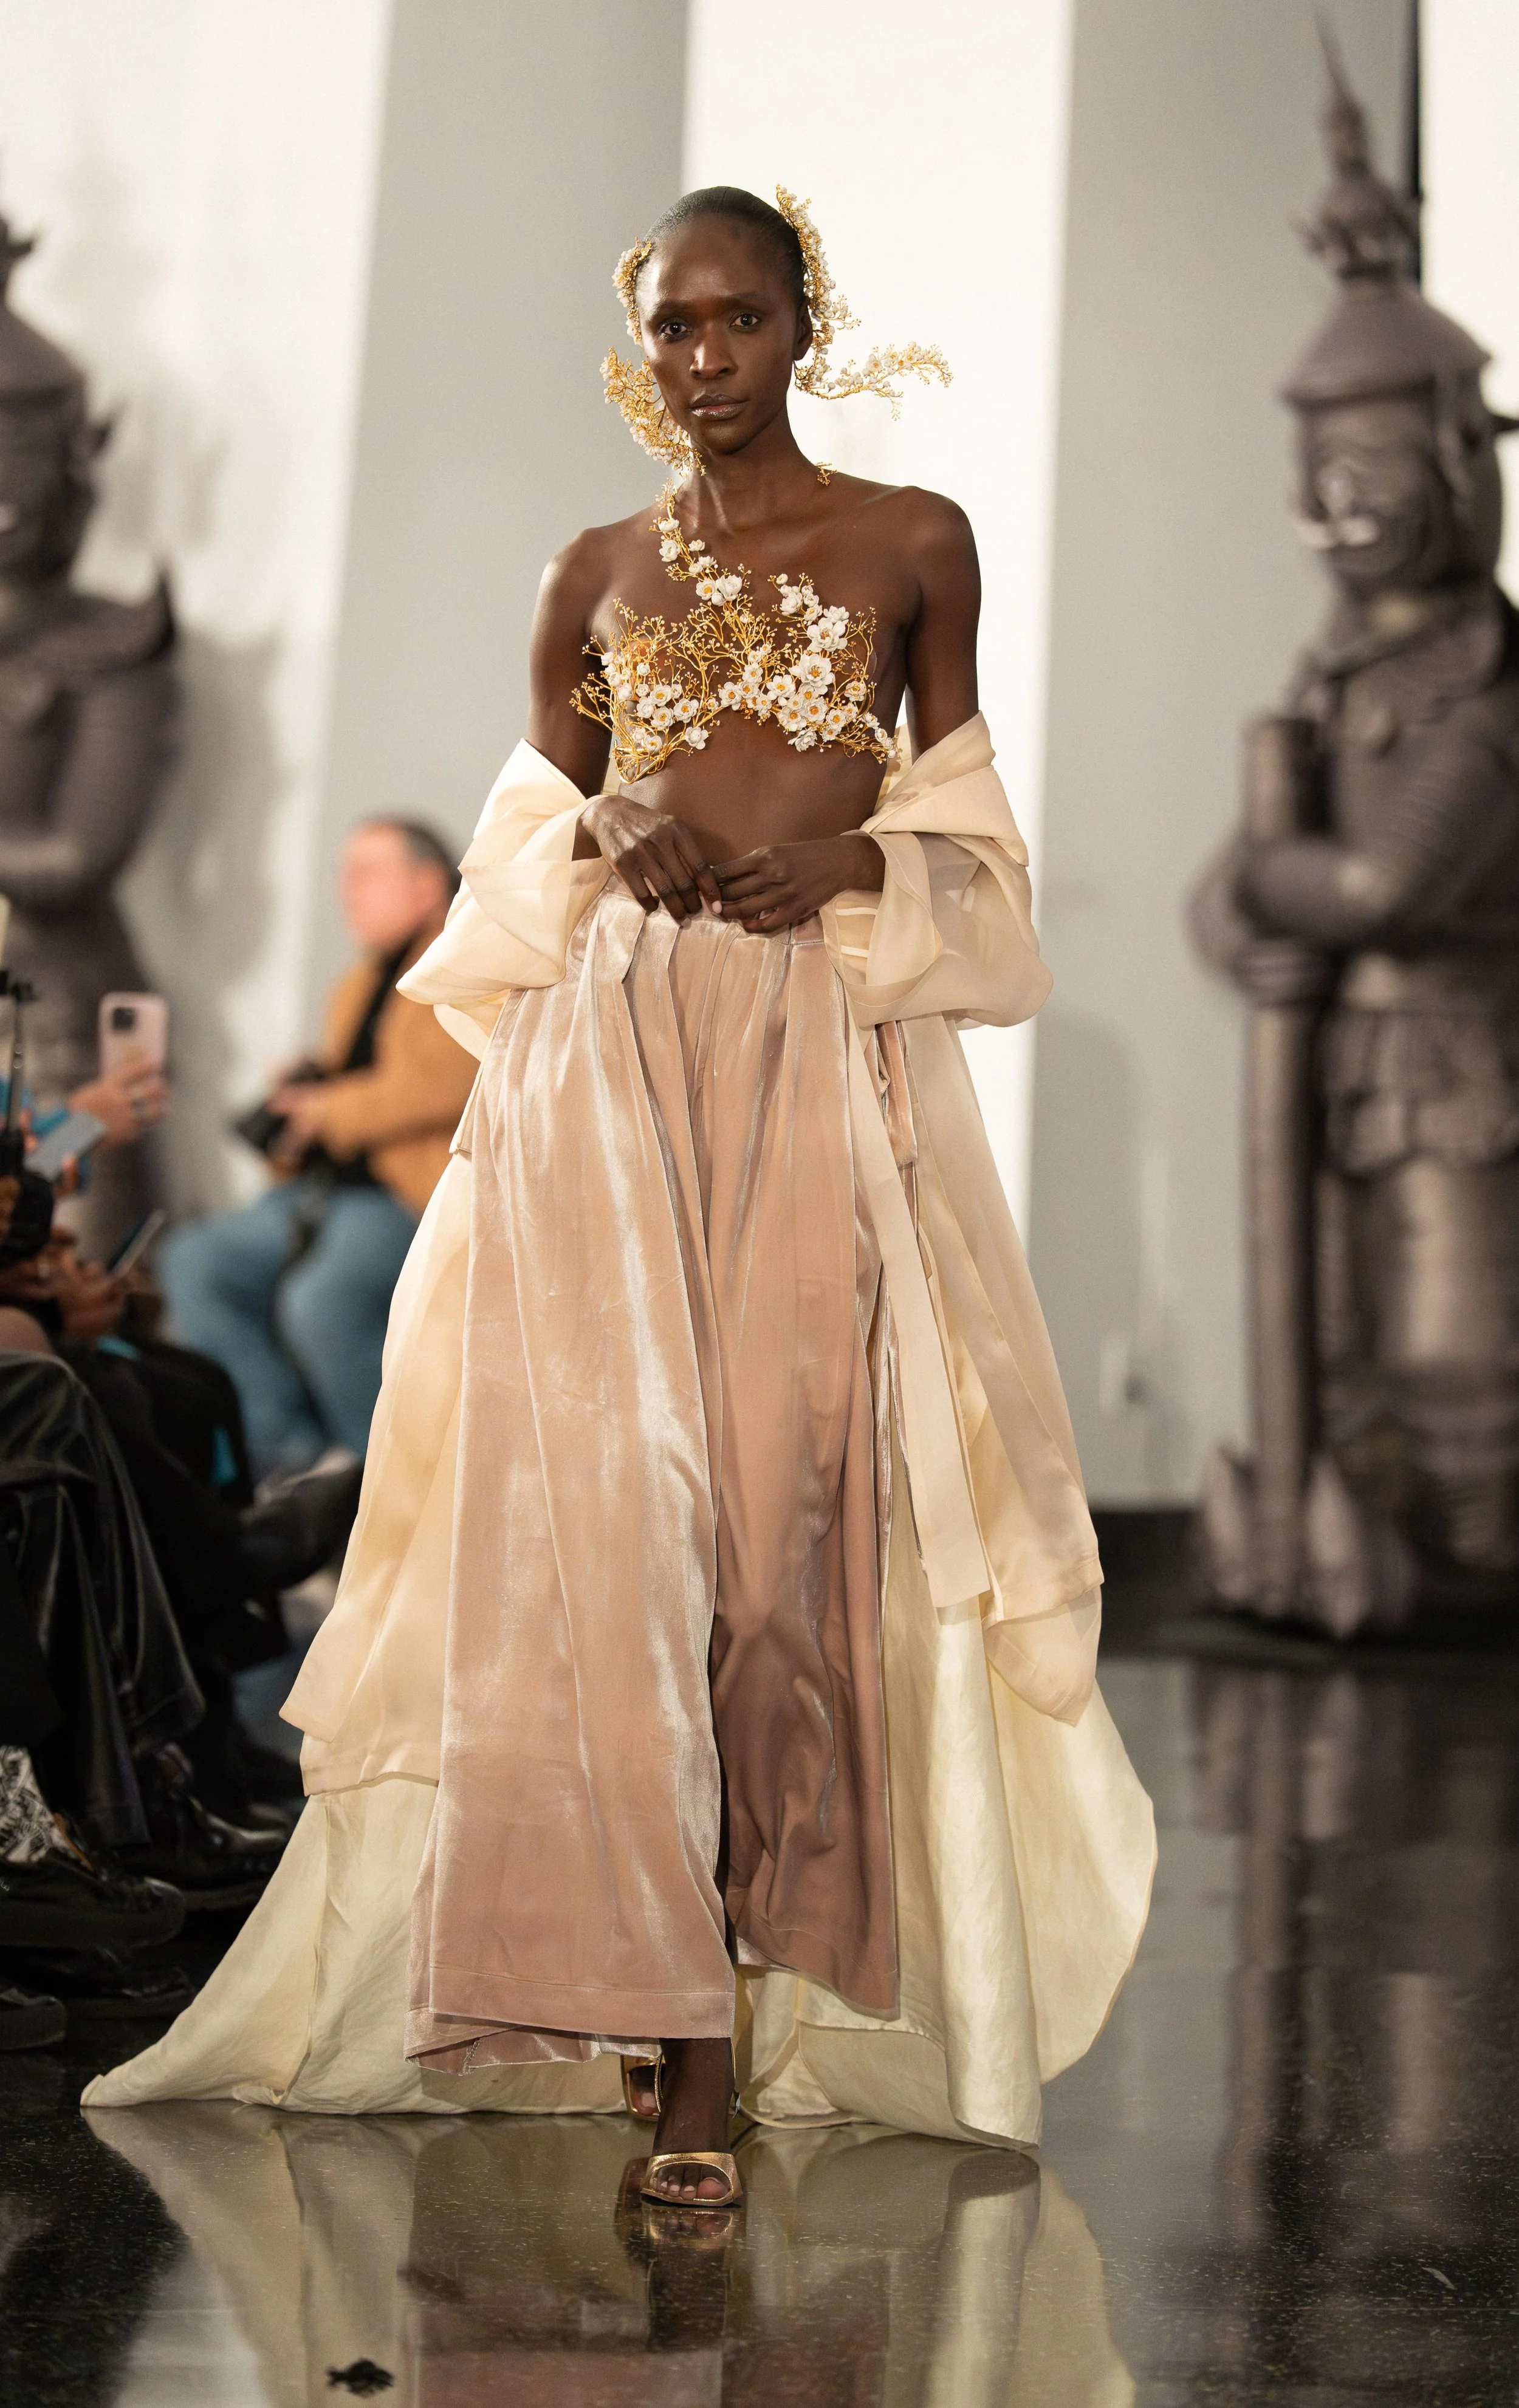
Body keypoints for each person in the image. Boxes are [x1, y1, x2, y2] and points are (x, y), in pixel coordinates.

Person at [88, 191, 1155, 2207]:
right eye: (675, 323)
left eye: (741, 318)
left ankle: (763, 1960)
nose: (706, 357)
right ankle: (677, 2045)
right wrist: (613, 826)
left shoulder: (914, 542)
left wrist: (850, 866)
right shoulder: (587, 571)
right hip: (600, 1066)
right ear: (638, 339)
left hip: (809, 1067)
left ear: (802, 324)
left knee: (780, 1538)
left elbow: (979, 861)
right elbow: (512, 874)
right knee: (615, 1544)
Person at [160, 818, 477, 1474]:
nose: (346, 891)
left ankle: (381, 1486)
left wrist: (329, 1108)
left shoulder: (470, 965)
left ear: (425, 886)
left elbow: (453, 1080)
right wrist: (306, 1098)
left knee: (323, 1301)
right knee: (194, 1260)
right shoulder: (358, 984)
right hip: (324, 1191)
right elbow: (365, 1083)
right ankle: (293, 1463)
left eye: (366, 873)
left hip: (404, 1197)